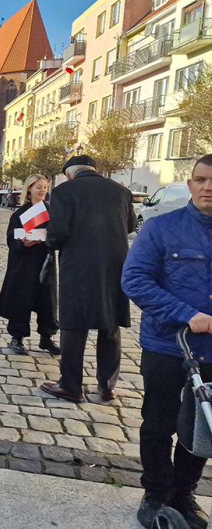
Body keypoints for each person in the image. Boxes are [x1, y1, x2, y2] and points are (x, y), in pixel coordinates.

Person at [122, 154, 212, 529]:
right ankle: (156, 493)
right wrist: (185, 314)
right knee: (158, 422)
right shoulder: (160, 229)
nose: (208, 188)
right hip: (167, 345)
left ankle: (183, 494)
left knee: (201, 424)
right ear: (189, 184)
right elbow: (135, 280)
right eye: (201, 179)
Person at [40, 155, 135, 403]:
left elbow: (57, 233)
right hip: (115, 264)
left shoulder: (64, 191)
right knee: (110, 323)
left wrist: (49, 240)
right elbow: (130, 226)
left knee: (74, 325)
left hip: (78, 265)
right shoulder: (120, 191)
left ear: (70, 173)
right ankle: (107, 386)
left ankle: (71, 385)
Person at [0, 175, 59, 356]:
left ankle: (46, 337)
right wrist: (24, 243)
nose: (42, 190)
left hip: (45, 261)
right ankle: (17, 337)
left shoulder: (51, 211)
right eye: (39, 186)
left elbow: (57, 235)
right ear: (29, 189)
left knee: (47, 301)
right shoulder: (20, 213)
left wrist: (49, 238)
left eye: (45, 187)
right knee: (21, 300)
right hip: (24, 263)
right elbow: (11, 239)